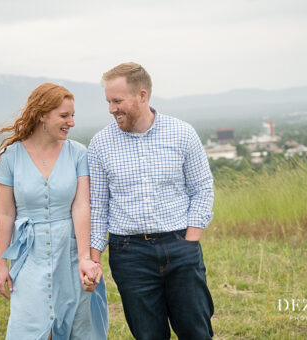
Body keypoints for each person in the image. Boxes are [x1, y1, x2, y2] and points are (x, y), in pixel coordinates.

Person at [87, 62, 215, 340]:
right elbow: (97, 208)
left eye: (117, 101)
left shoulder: (182, 133)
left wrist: (190, 241)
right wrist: (93, 260)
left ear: (142, 96)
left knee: (197, 332)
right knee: (148, 336)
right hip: (128, 254)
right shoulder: (99, 144)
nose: (111, 109)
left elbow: (202, 189)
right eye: (108, 101)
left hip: (180, 245)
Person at [0, 83, 109, 340]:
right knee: (31, 325)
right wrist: (1, 265)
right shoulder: (10, 156)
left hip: (70, 250)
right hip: (29, 254)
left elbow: (81, 206)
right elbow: (5, 214)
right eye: (64, 116)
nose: (71, 122)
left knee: (78, 324)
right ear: (42, 114)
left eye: (73, 115)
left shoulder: (78, 153)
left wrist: (85, 258)